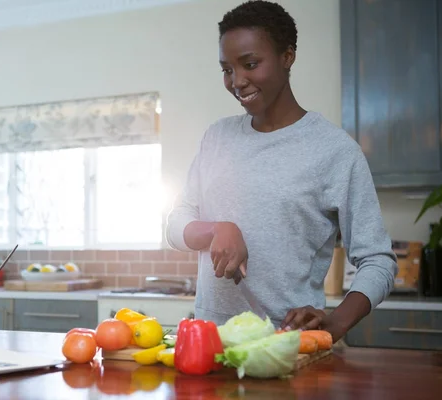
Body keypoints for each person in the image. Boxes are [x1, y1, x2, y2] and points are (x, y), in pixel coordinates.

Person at [165, 0, 398, 342]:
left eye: (250, 64)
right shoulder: (216, 137)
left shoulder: (334, 150)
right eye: (227, 69)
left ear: (287, 56)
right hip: (209, 343)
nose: (237, 81)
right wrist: (217, 229)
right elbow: (174, 224)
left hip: (287, 346)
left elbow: (378, 259)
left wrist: (335, 324)